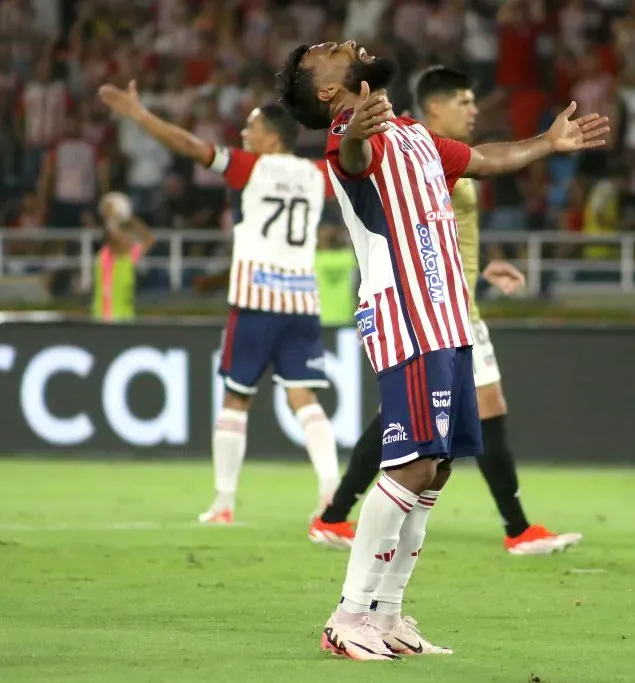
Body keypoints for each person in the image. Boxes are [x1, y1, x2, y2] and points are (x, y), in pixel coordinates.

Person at [276, 40, 609, 660]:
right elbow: (351, 155)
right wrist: (354, 127)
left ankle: (389, 613)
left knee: (435, 473)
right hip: (403, 313)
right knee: (408, 468)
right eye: (328, 50)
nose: (345, 42)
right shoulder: (351, 137)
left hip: (449, 315)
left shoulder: (416, 137)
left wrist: (546, 143)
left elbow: (482, 158)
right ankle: (347, 618)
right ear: (328, 91)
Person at [308, 66, 583, 555]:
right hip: (427, 310)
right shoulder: (397, 149)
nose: (474, 110)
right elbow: (408, 233)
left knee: (437, 442)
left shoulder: (427, 147)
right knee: (427, 440)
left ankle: (340, 521)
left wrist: (483, 269)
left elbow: (441, 234)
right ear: (435, 106)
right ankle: (513, 528)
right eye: (464, 101)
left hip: (456, 304)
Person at [97, 85, 341, 523]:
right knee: (303, 398)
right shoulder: (317, 174)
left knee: (236, 398)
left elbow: (191, 147)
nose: (244, 134)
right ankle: (330, 494)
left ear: (271, 136)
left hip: (255, 300)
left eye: (251, 127)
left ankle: (224, 503)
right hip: (302, 301)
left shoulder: (248, 167)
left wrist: (140, 114)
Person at [92, 191, 156, 321]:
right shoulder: (103, 255)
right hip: (99, 320)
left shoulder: (128, 257)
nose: (125, 240)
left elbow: (149, 238)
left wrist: (128, 217)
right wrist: (112, 219)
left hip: (123, 321)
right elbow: (113, 235)